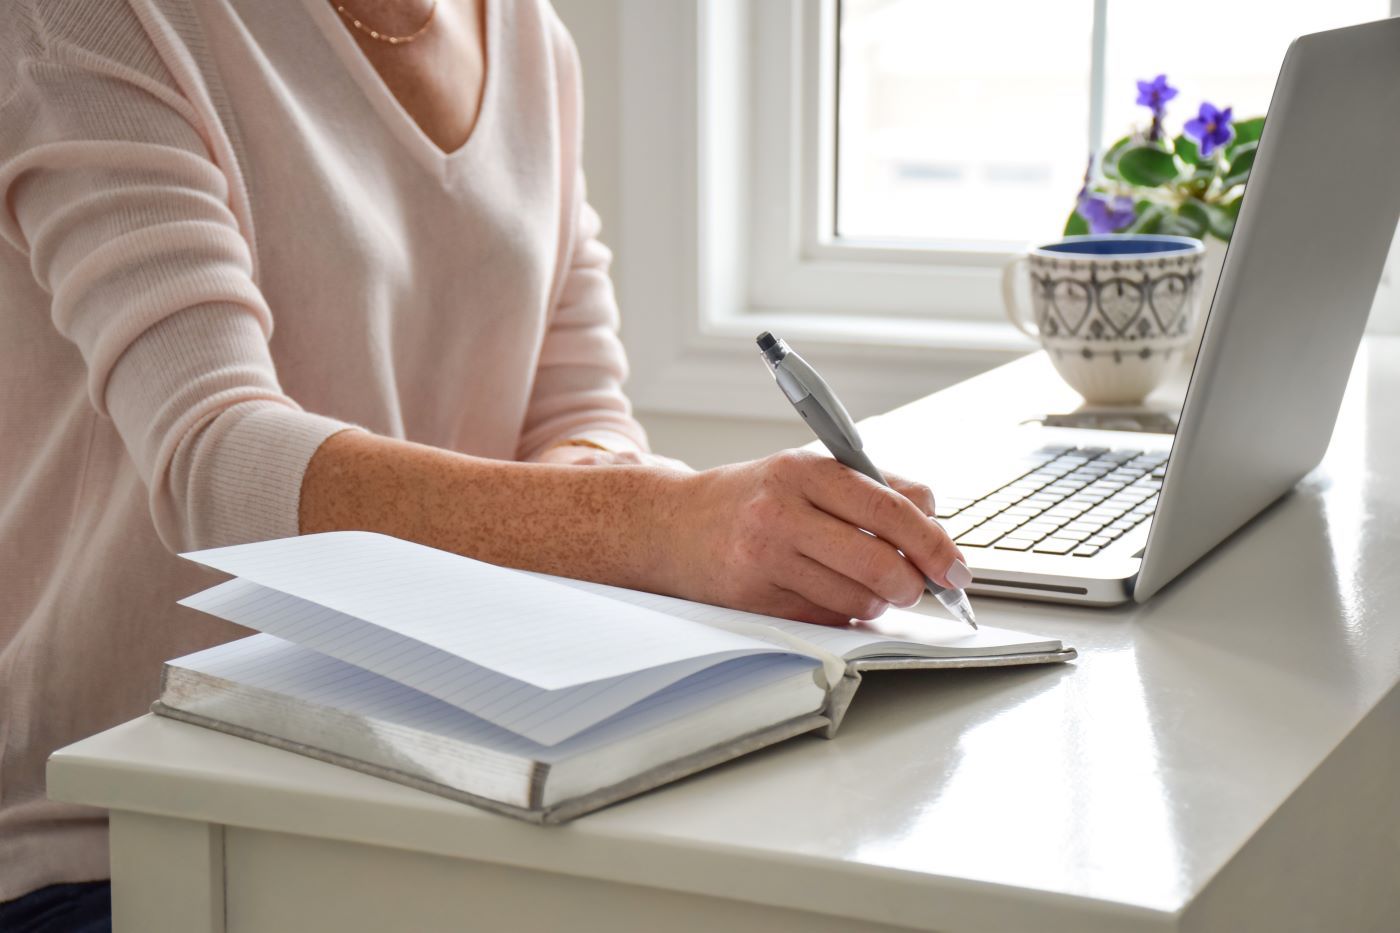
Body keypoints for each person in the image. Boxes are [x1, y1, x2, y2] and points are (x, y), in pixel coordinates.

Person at [0, 0, 970, 926]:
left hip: (413, 789)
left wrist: (651, 503)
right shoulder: (83, 21)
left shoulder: (528, 35)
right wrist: (666, 525)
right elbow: (214, 461)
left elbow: (578, 408)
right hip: (113, 838)